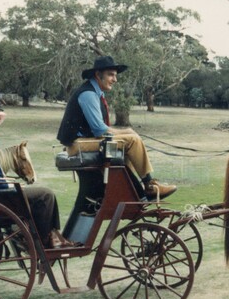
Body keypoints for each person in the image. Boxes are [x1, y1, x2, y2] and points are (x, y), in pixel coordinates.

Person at [0, 90, 73, 248]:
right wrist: (8, 186)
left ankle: (50, 236)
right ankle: (44, 242)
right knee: (46, 195)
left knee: (40, 194)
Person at [57, 55, 177, 200]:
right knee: (132, 140)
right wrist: (126, 131)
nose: (115, 79)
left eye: (115, 75)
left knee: (127, 144)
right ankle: (149, 186)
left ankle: (133, 190)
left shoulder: (95, 93)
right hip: (77, 145)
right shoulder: (88, 94)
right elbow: (100, 129)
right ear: (98, 75)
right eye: (111, 75)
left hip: (84, 141)